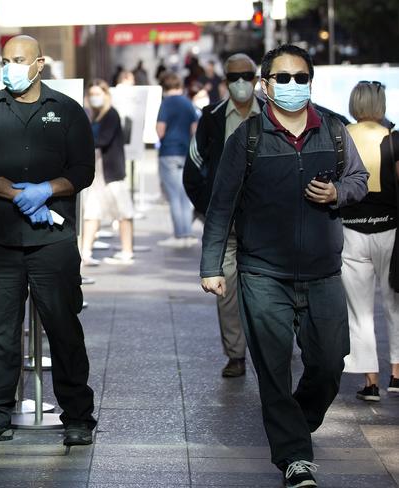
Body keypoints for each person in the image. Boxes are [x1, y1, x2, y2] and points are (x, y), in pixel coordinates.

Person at [200, 44, 368, 488]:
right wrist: (211, 266)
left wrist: (339, 194)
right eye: (283, 78)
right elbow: (220, 206)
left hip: (323, 272)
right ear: (266, 85)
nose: (293, 86)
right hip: (263, 274)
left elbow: (359, 179)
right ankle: (295, 458)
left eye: (301, 78)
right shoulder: (248, 138)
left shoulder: (333, 130)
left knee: (331, 363)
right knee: (273, 368)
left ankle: (294, 421)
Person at [0, 35, 97, 446]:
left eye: (17, 60)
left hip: (52, 241)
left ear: (39, 63)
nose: (9, 68)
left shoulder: (67, 111)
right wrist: (19, 195)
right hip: (1, 242)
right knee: (2, 332)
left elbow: (83, 169)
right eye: (4, 61)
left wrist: (47, 189)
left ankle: (77, 416)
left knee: (63, 327)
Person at [184, 53, 264, 378]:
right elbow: (193, 169)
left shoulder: (273, 113)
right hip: (228, 220)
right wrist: (211, 208)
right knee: (226, 290)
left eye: (247, 75)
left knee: (272, 289)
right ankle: (236, 355)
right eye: (234, 76)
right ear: (225, 80)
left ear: (257, 77)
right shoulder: (213, 117)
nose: (241, 82)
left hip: (267, 221)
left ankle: (276, 346)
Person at [340, 81, 399, 401]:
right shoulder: (393, 138)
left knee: (359, 311)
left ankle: (371, 381)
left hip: (352, 230)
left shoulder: (342, 137)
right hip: (389, 229)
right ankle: (397, 374)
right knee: (395, 304)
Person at [81, 79, 135, 266]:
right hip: (96, 174)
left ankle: (127, 251)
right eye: (92, 94)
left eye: (98, 93)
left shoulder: (111, 115)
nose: (95, 98)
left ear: (106, 95)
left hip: (112, 172)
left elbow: (103, 140)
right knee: (91, 212)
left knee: (123, 211)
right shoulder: (92, 116)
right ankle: (85, 252)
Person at [156, 71, 199, 248]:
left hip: (168, 152)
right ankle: (188, 233)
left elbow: (160, 130)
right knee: (185, 195)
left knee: (173, 196)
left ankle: (179, 234)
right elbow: (195, 129)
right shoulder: (188, 104)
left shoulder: (165, 104)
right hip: (185, 152)